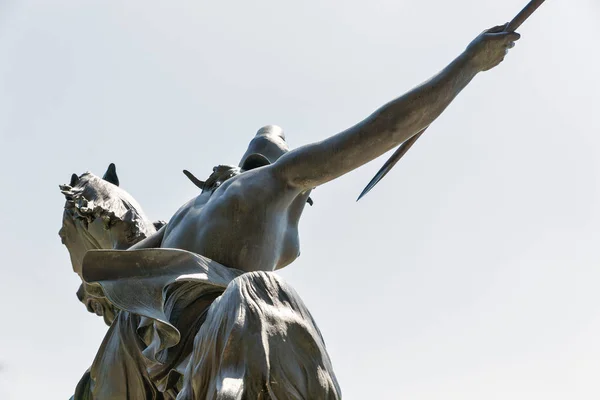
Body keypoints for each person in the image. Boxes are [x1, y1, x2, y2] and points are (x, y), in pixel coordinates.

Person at [72, 25, 520, 399]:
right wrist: (468, 65)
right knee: (263, 297)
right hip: (181, 331)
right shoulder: (276, 181)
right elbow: (384, 128)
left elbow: (112, 273)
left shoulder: (193, 208)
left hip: (144, 339)